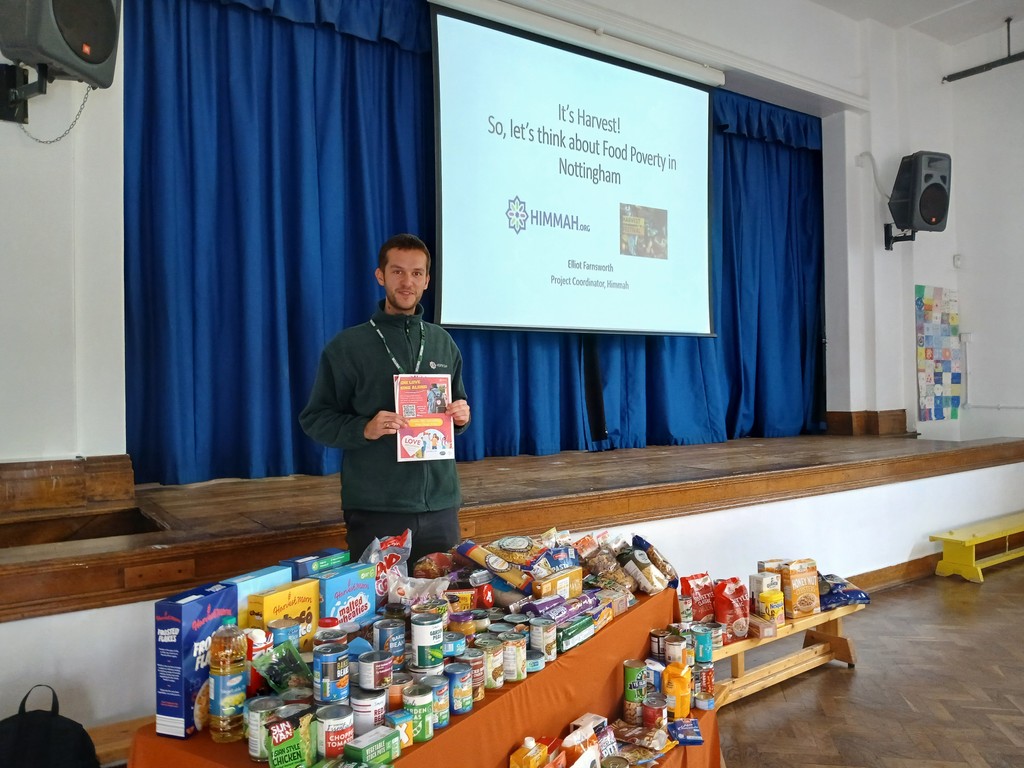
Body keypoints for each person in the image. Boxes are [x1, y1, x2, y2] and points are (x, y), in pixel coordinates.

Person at [300, 233, 471, 563]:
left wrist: (461, 416)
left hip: (441, 505)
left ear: (427, 280)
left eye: (417, 273)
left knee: (441, 605)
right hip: (378, 508)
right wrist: (364, 428)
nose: (407, 282)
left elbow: (458, 402)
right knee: (379, 610)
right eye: (398, 272)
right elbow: (315, 418)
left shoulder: (442, 342)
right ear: (380, 276)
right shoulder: (348, 346)